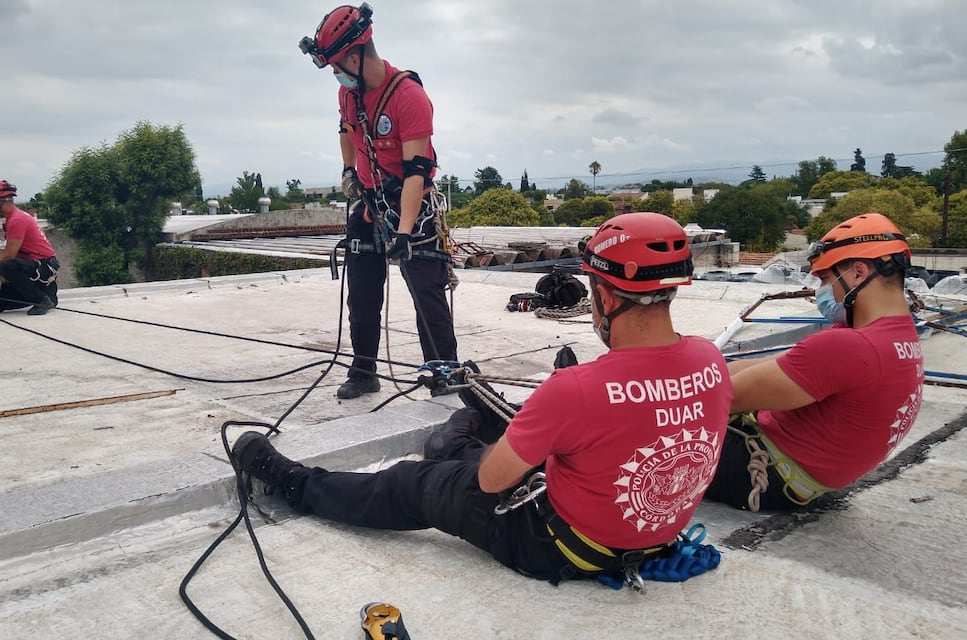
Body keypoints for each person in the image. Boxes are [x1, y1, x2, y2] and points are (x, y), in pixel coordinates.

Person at [232, 213, 733, 586]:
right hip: (650, 537)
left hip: (555, 546)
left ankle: (295, 483)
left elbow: (494, 482)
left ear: (604, 296)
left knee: (412, 484)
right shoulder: (710, 360)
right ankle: (454, 438)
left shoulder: (577, 388)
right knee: (468, 449)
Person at [705, 213, 924, 511]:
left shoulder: (850, 347)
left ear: (858, 273)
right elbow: (781, 364)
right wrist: (714, 370)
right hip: (805, 475)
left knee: (643, 429)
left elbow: (718, 397)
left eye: (825, 278)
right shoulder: (898, 335)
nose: (820, 291)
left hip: (766, 472)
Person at [299, 3, 457, 399]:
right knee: (362, 295)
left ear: (354, 56)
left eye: (337, 65)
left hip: (411, 204)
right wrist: (349, 170)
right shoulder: (347, 94)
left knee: (426, 292)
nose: (336, 74)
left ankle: (444, 372)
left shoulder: (409, 96)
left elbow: (416, 172)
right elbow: (345, 129)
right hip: (369, 204)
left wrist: (403, 233)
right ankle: (364, 372)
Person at [0, 180, 59, 316]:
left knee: (6, 266)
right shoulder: (14, 218)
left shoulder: (17, 220)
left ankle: (41, 300)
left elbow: (9, 256)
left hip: (42, 267)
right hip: (38, 269)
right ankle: (46, 296)